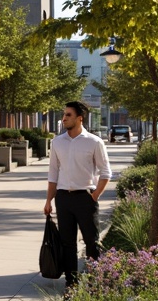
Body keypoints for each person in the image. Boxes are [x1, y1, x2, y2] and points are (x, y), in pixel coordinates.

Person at [44, 100, 111, 291]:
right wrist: (49, 200)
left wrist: (95, 195)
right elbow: (53, 173)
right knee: (67, 244)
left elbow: (106, 172)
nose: (64, 118)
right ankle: (71, 284)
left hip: (85, 198)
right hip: (63, 198)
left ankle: (94, 284)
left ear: (80, 118)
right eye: (64, 114)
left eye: (68, 115)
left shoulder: (94, 142)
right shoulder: (57, 142)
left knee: (92, 242)